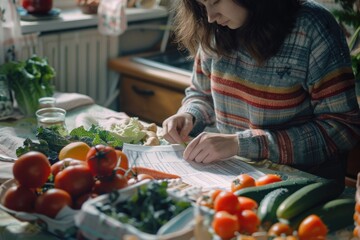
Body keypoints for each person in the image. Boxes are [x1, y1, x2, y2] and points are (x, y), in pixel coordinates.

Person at [162, 0, 360, 184]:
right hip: (234, 176)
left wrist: (242, 144)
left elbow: (342, 128)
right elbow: (201, 93)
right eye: (202, 5)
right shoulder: (213, 28)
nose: (210, 16)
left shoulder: (311, 27)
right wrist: (190, 114)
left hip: (302, 185)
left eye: (215, 2)